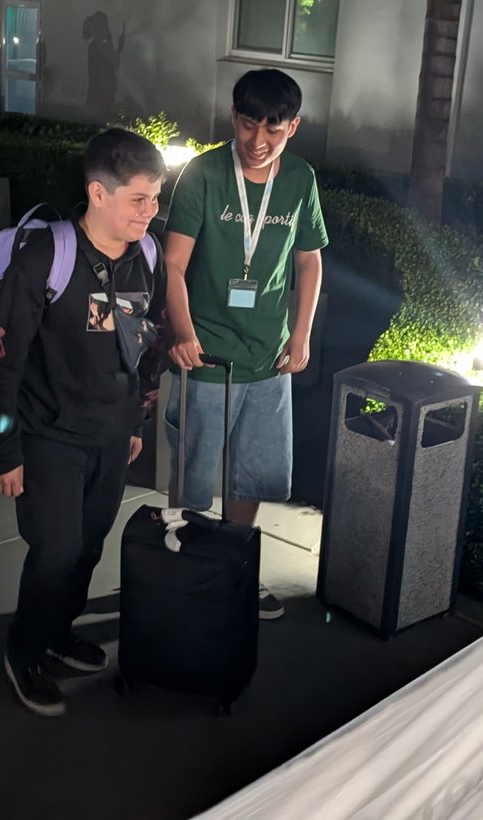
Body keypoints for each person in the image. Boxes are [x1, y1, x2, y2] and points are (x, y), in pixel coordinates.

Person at [0, 127, 165, 717]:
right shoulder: (45, 258)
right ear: (98, 193)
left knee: (89, 544)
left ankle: (58, 630)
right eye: (139, 199)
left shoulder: (146, 256)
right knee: (56, 549)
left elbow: (144, 347)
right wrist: (2, 451)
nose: (150, 211)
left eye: (156, 197)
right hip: (48, 435)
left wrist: (135, 422)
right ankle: (24, 648)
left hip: (110, 434)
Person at [162, 68, 328, 621]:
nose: (259, 140)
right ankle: (184, 569)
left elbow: (309, 261)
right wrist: (183, 331)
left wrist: (300, 334)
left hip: (269, 355)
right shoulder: (204, 174)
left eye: (273, 129)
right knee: (193, 472)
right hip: (207, 355)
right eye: (248, 124)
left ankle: (234, 567)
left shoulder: (299, 179)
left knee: (251, 473)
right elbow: (173, 264)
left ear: (293, 127)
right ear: (233, 117)